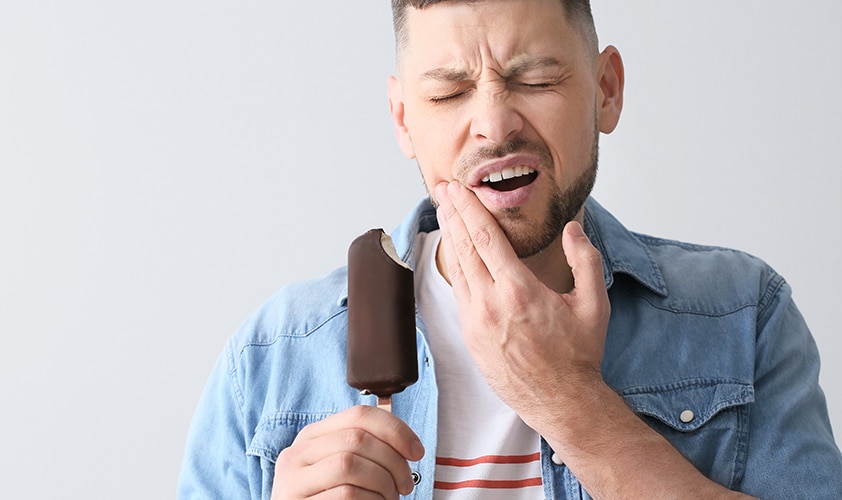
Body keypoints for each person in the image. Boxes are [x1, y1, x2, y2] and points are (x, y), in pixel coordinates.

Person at [178, 0, 842, 498]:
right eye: (450, 91)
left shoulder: (745, 315)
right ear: (404, 117)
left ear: (606, 90)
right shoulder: (270, 360)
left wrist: (571, 404)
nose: (494, 123)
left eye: (535, 79)